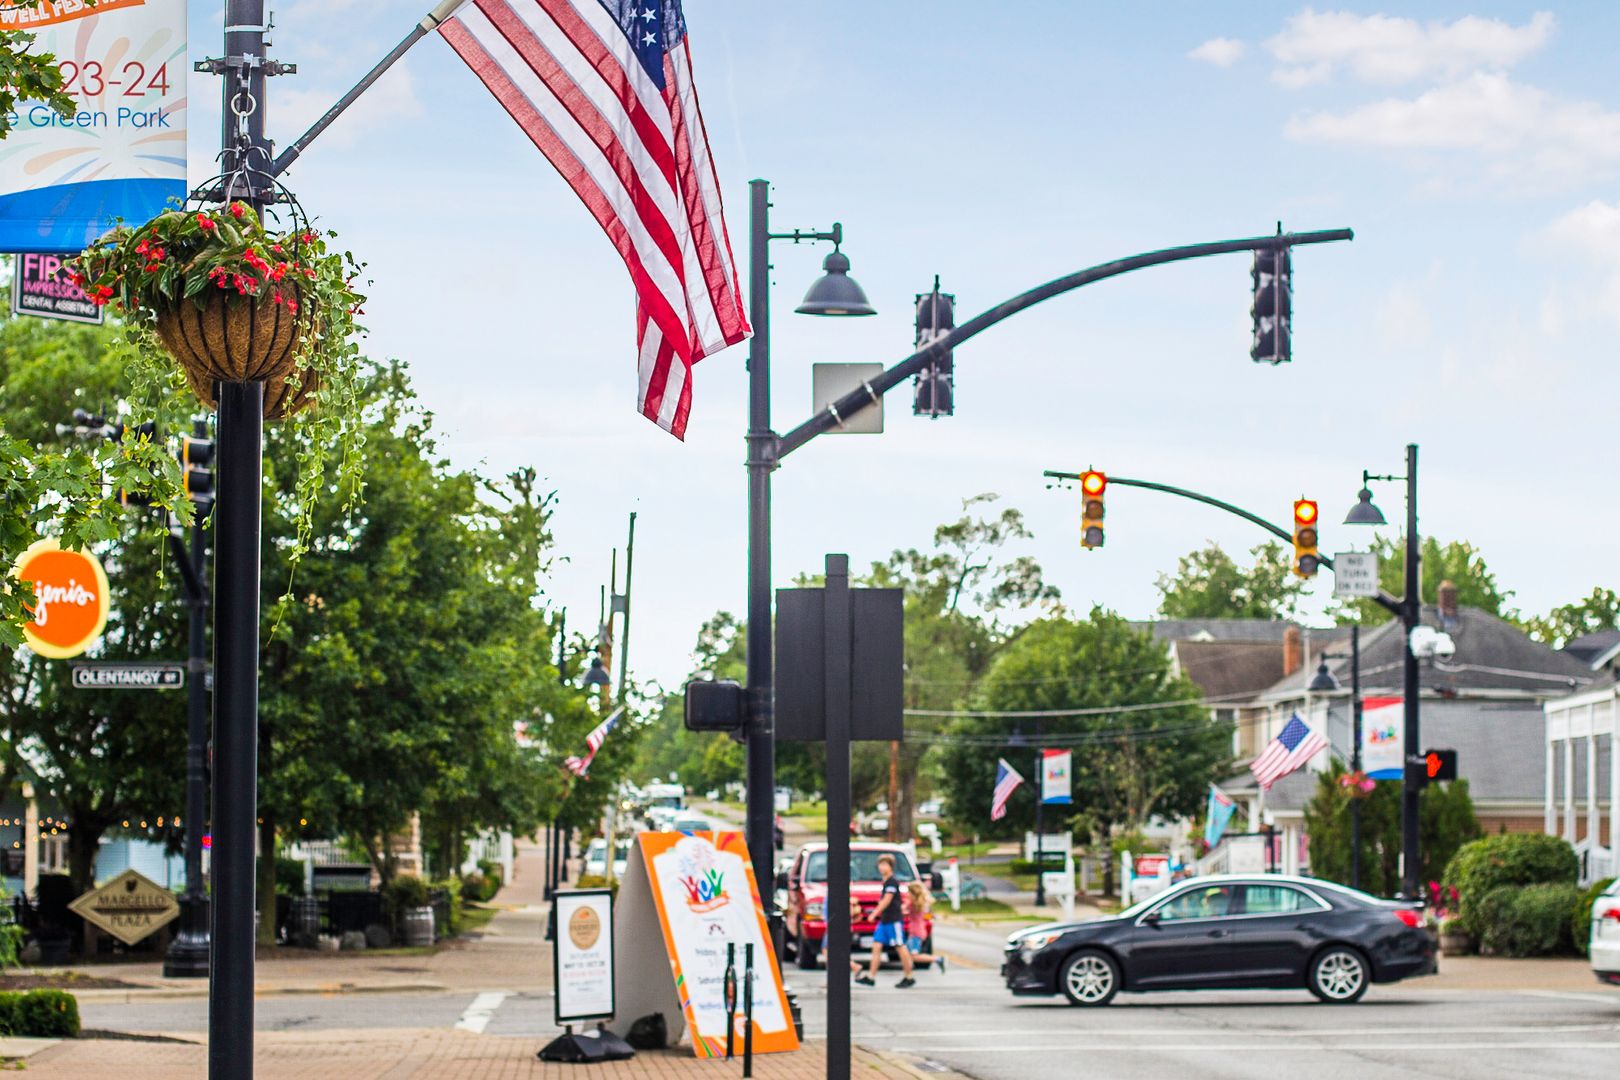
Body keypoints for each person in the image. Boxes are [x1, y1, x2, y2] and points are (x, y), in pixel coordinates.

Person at [855, 854, 915, 988]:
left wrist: (874, 913)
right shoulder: (886, 882)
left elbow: (887, 900)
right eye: (880, 864)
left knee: (900, 946)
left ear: (891, 866)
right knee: (876, 946)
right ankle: (871, 976)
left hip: (893, 920)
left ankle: (909, 975)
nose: (882, 867)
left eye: (885, 865)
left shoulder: (892, 882)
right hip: (884, 921)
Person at [903, 881, 945, 974]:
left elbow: (902, 911)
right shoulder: (920, 905)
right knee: (907, 954)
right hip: (918, 932)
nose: (907, 894)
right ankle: (908, 975)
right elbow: (925, 916)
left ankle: (938, 959)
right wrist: (934, 916)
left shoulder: (912, 905)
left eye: (909, 892)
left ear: (914, 893)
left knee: (914, 956)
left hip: (916, 933)